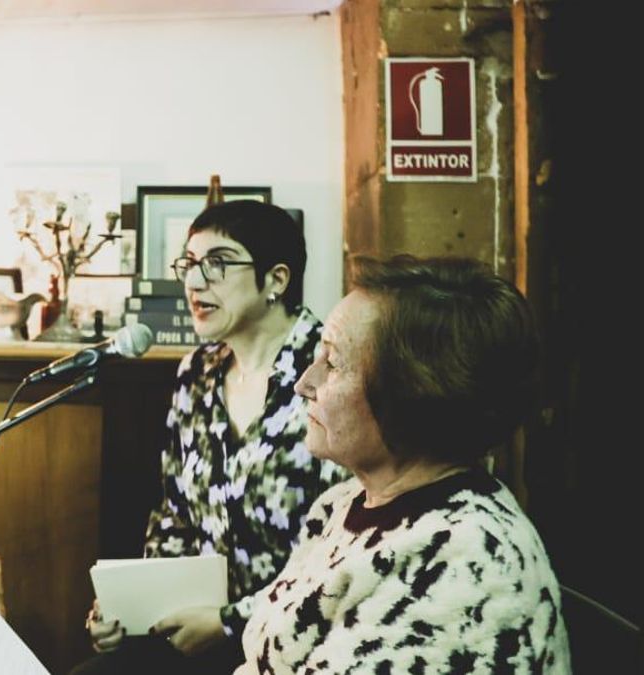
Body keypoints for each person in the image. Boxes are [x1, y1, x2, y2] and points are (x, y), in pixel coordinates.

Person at [232, 255, 570, 673]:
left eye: (332, 363)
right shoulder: (345, 501)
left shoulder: (466, 564)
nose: (305, 382)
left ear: (414, 394)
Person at [76, 200, 348, 674]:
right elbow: (175, 516)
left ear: (276, 280)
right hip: (192, 631)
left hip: (296, 637)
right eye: (189, 264)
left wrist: (229, 622)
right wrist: (131, 606)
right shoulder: (196, 372)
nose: (194, 282)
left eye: (217, 264)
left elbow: (340, 551)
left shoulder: (331, 372)